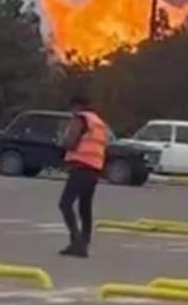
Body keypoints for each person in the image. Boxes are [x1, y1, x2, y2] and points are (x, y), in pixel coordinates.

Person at [58, 94, 108, 258]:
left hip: (80, 167)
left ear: (76, 106)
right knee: (85, 207)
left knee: (65, 204)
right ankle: (84, 242)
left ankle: (77, 242)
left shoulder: (80, 119)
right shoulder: (99, 122)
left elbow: (70, 142)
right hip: (94, 169)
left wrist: (62, 141)